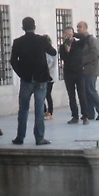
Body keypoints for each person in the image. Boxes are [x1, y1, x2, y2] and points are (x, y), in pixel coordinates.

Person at [9, 16, 57, 145]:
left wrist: (21, 73)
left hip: (26, 78)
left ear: (23, 27)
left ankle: (20, 137)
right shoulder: (41, 40)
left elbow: (13, 61)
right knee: (39, 108)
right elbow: (53, 52)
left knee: (23, 108)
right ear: (34, 27)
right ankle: (39, 138)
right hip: (41, 78)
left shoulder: (18, 42)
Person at [75, 21, 99, 122]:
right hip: (84, 69)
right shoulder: (82, 40)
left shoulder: (91, 39)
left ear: (86, 28)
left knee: (90, 90)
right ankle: (90, 113)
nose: (78, 29)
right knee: (86, 91)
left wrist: (82, 60)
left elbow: (95, 53)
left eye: (80, 27)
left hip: (91, 69)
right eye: (77, 27)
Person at [59, 26, 84, 124]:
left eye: (70, 34)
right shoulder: (62, 46)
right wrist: (67, 50)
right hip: (68, 73)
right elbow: (63, 58)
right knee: (71, 96)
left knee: (82, 94)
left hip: (79, 72)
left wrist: (74, 34)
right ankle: (75, 116)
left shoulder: (78, 44)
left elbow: (84, 37)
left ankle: (85, 115)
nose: (68, 36)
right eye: (67, 34)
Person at [44, 46, 57, 120]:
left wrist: (45, 69)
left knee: (47, 94)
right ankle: (46, 111)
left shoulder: (49, 52)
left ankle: (49, 111)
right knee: (46, 94)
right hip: (48, 76)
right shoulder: (51, 52)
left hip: (49, 76)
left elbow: (51, 62)